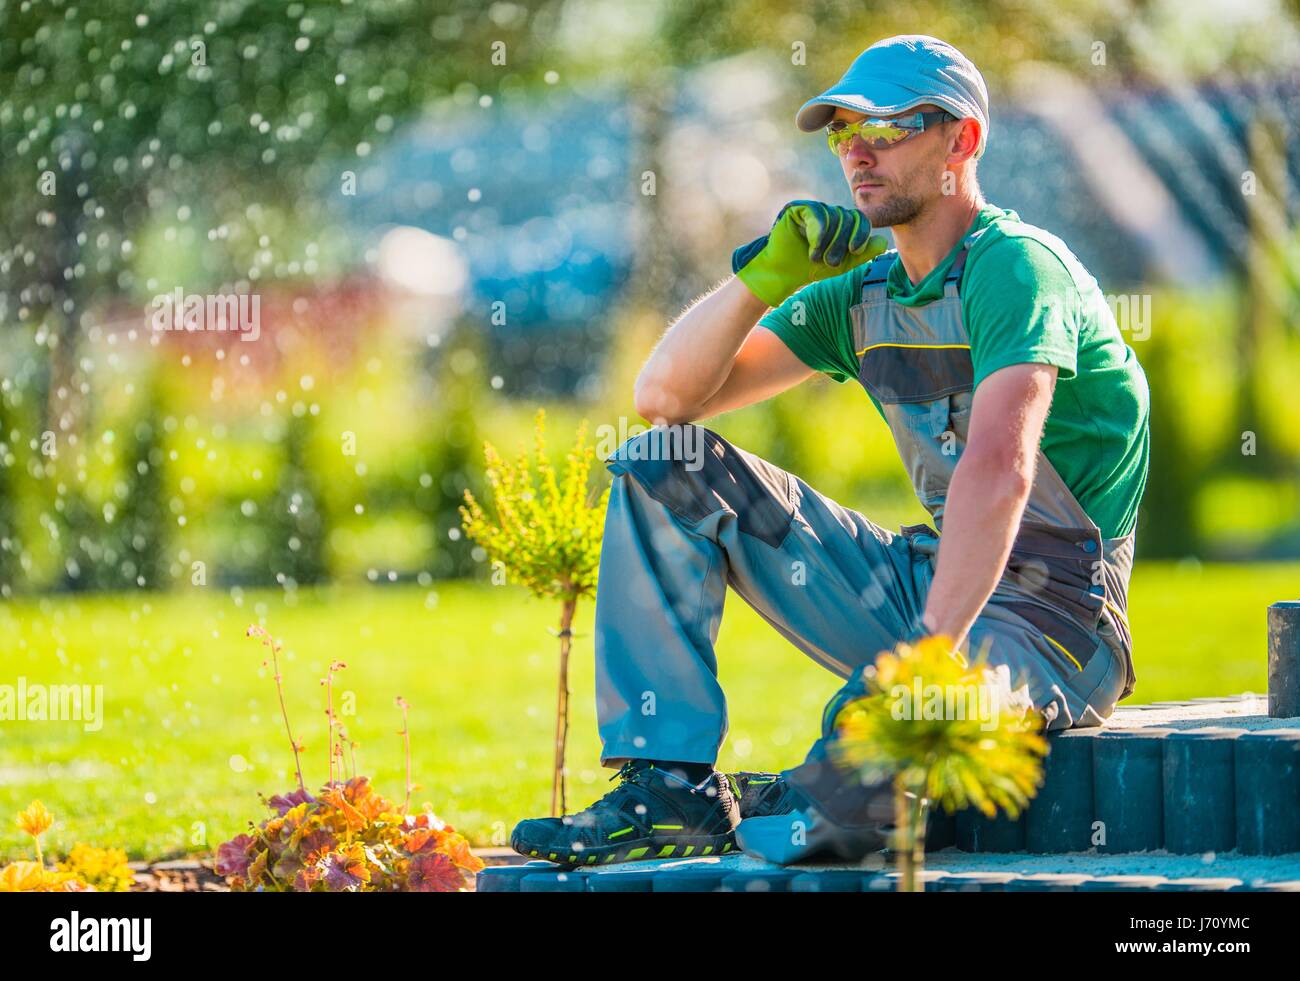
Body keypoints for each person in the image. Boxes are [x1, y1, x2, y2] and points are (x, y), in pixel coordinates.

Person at [510, 34, 1150, 867]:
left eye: (886, 128)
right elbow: (663, 400)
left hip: (1055, 623)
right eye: (843, 130)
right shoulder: (864, 293)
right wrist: (761, 281)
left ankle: (792, 794)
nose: (856, 151)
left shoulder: (1019, 270)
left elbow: (1001, 466)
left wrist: (929, 654)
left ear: (962, 140)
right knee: (663, 462)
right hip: (935, 582)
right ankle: (669, 787)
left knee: (820, 819)